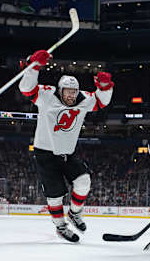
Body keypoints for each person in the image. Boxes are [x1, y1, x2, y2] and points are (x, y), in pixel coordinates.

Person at [19, 50, 114, 242]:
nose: (71, 95)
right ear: (60, 90)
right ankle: (60, 226)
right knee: (55, 196)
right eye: (67, 91)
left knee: (84, 181)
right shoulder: (47, 96)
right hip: (45, 154)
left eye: (73, 92)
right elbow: (26, 88)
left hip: (67, 154)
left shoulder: (83, 100)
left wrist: (105, 87)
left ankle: (75, 213)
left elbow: (102, 101)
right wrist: (34, 65)